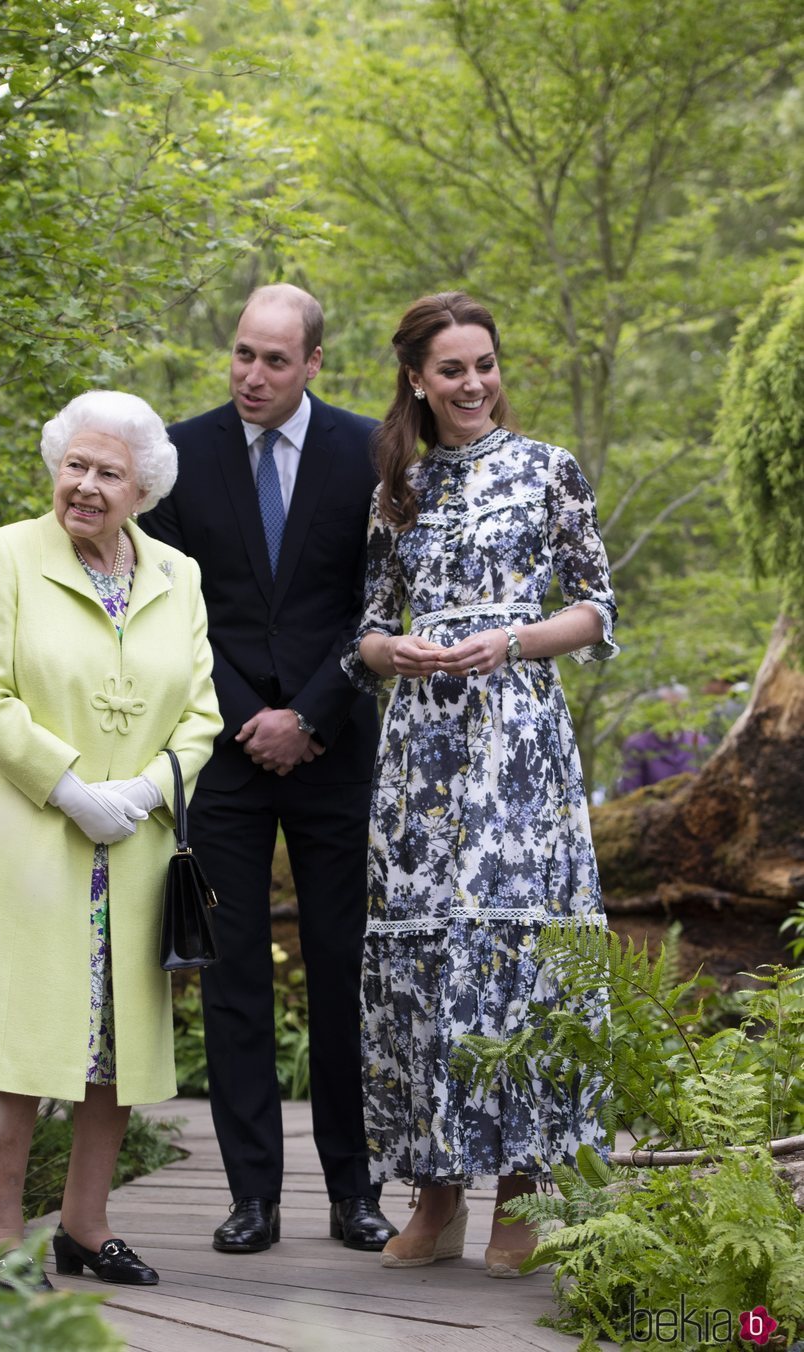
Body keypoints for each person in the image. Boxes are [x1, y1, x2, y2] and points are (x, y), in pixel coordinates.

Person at [341, 292, 618, 1276]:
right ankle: (436, 1193)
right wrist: (394, 651)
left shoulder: (548, 471)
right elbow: (365, 631)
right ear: (416, 377)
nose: (472, 383)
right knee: (428, 963)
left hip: (516, 744)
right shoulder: (396, 488)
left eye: (484, 364)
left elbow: (592, 607)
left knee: (515, 953)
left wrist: (508, 639)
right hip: (422, 758)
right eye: (451, 368)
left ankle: (518, 1191)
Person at [139, 283, 396, 1254]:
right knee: (232, 975)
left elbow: (378, 599)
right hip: (227, 755)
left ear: (314, 364)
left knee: (341, 972)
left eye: (274, 360)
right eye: (242, 354)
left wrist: (314, 713)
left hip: (336, 750)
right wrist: (254, 718)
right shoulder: (179, 454)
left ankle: (353, 1193)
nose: (251, 375)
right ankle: (252, 1196)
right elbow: (168, 610)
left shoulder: (370, 453)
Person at [0, 390, 222, 1289]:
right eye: (76, 465)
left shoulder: (177, 575)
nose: (87, 486)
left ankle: (84, 1223)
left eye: (109, 472)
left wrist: (146, 791)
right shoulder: (9, 554)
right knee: (19, 1040)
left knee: (114, 1045)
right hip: (36, 839)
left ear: (142, 487)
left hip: (135, 849)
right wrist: (69, 788)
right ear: (54, 467)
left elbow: (202, 713)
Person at [615, 684, 706, 793]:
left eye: (678, 707)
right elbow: (630, 791)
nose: (674, 712)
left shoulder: (698, 742)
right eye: (669, 707)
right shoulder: (637, 745)